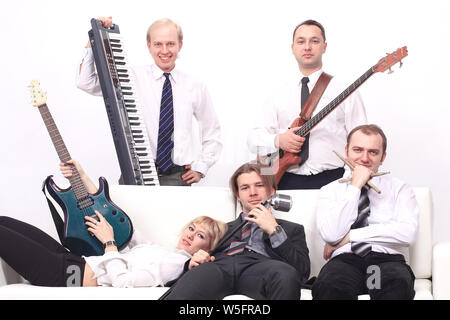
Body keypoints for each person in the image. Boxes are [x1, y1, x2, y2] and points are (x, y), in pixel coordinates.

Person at [0, 160, 227, 287]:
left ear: (206, 249)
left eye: (200, 235)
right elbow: (120, 222)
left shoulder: (175, 265)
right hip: (72, 260)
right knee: (4, 222)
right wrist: (81, 176)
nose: (191, 234)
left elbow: (124, 284)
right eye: (191, 227)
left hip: (68, 276)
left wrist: (109, 243)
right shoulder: (158, 250)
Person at [78, 17, 222, 186]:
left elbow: (212, 130)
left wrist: (202, 167)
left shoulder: (195, 85)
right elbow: (85, 82)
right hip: (136, 172)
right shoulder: (130, 77)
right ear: (149, 45)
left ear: (180, 45)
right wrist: (93, 36)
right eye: (158, 44)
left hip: (177, 176)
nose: (165, 50)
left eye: (170, 44)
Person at [248, 19, 367, 190]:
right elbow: (254, 139)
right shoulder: (277, 93)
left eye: (315, 41)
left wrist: (353, 180)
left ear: (324, 47)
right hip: (283, 178)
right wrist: (278, 140)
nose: (307, 47)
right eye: (301, 41)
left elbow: (362, 139)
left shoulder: (345, 90)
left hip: (333, 180)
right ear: (293, 48)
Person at [162, 162, 310, 300]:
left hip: (262, 268)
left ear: (272, 190)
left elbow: (302, 272)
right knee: (194, 279)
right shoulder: (221, 228)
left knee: (285, 274)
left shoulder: (292, 229)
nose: (252, 193)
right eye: (245, 188)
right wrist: (192, 263)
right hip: (219, 267)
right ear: (238, 195)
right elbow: (192, 251)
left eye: (259, 185)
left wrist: (274, 230)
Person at [312, 124, 419, 300]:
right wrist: (356, 186)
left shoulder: (400, 189)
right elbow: (331, 235)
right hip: (347, 262)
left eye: (373, 152)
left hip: (384, 262)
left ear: (382, 157)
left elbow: (408, 233)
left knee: (394, 286)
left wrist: (349, 237)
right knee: (329, 287)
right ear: (346, 151)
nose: (364, 158)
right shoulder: (330, 191)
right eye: (357, 150)